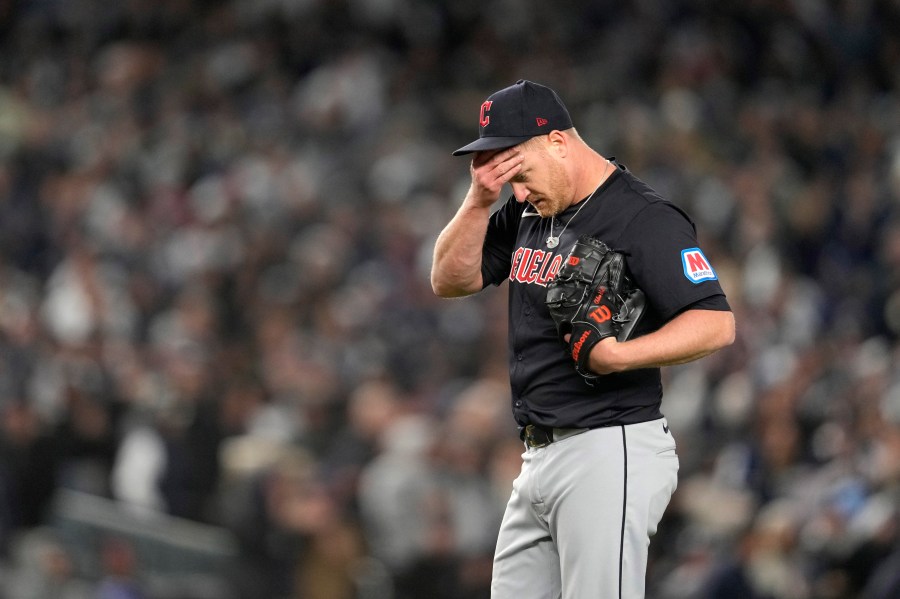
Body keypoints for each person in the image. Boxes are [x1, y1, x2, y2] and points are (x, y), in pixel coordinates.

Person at [430, 79, 736, 599]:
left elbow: (715, 322)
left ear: (556, 141)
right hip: (539, 456)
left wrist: (619, 355)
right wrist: (481, 201)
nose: (519, 192)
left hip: (608, 446)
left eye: (520, 174)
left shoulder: (642, 216)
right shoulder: (530, 208)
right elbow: (449, 280)